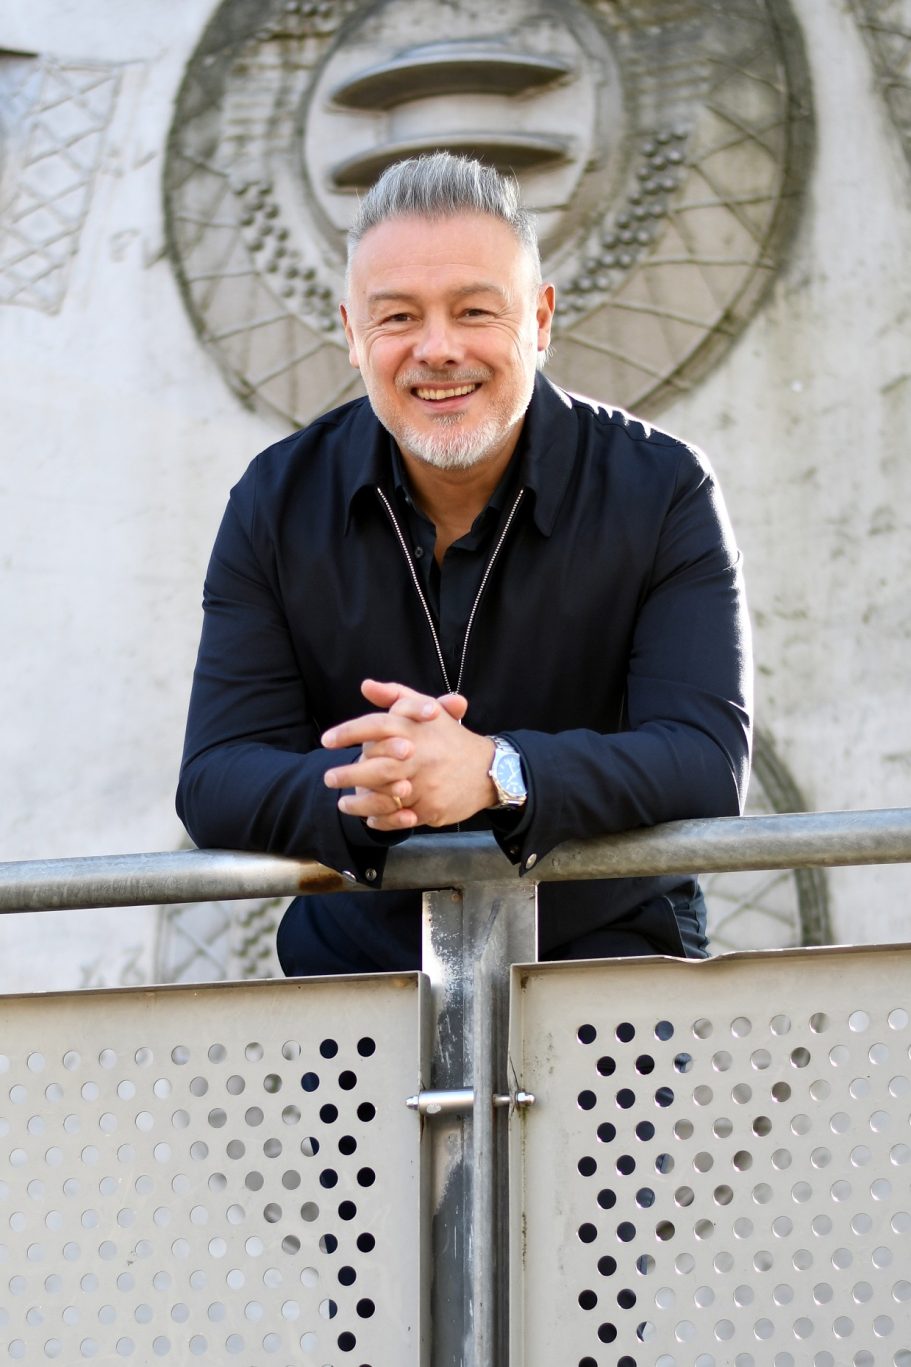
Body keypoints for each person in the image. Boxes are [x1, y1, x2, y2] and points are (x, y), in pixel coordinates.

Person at [177, 152, 752, 975]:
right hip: (357, 966)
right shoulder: (274, 501)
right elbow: (214, 777)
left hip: (611, 959)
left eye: (475, 310)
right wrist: (384, 782)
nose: (438, 349)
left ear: (540, 319)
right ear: (352, 334)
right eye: (397, 317)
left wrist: (495, 770)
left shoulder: (661, 487)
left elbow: (704, 760)